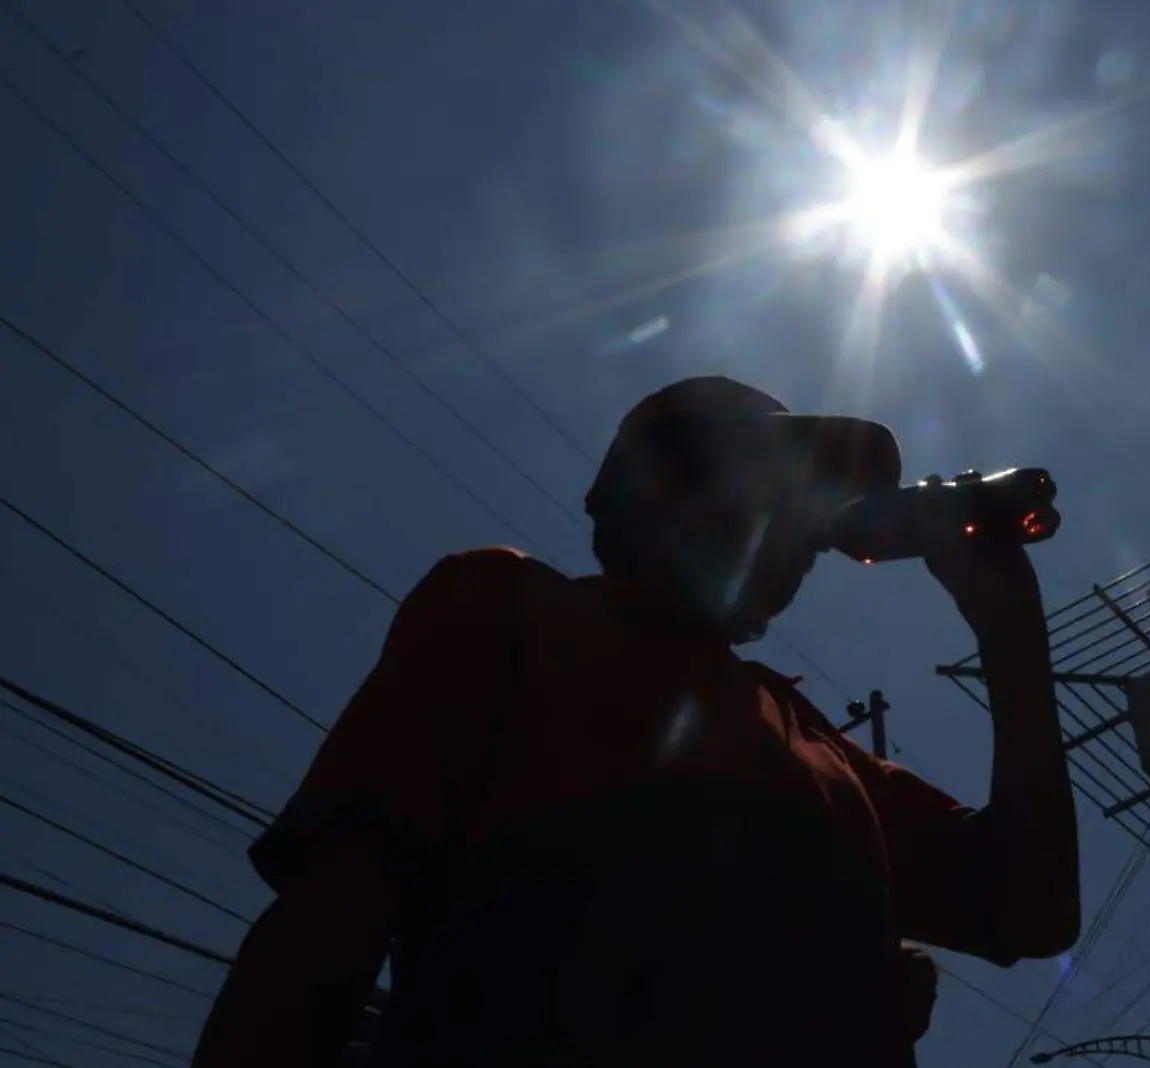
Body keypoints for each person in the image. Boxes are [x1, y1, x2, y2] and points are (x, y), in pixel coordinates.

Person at [190, 376, 1081, 1068]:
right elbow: (323, 936)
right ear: (662, 489)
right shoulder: (509, 606)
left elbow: (1033, 909)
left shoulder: (815, 744)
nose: (806, 524)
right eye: (771, 482)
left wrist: (1009, 629)